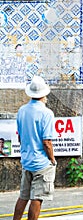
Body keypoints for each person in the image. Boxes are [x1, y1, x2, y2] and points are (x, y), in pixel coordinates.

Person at [13, 75, 56, 220]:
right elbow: (47, 142)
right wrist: (52, 159)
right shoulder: (47, 113)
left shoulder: (22, 111)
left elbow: (20, 137)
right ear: (44, 94)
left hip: (26, 161)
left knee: (23, 197)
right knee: (37, 198)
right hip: (41, 163)